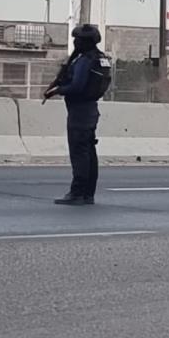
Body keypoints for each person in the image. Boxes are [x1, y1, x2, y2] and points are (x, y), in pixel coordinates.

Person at [43, 24, 112, 205]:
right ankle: (88, 194)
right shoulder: (100, 58)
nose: (75, 42)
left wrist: (58, 90)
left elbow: (77, 86)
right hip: (90, 110)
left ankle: (77, 193)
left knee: (79, 153)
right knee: (88, 151)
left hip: (80, 112)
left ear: (85, 42)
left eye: (78, 39)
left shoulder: (84, 61)